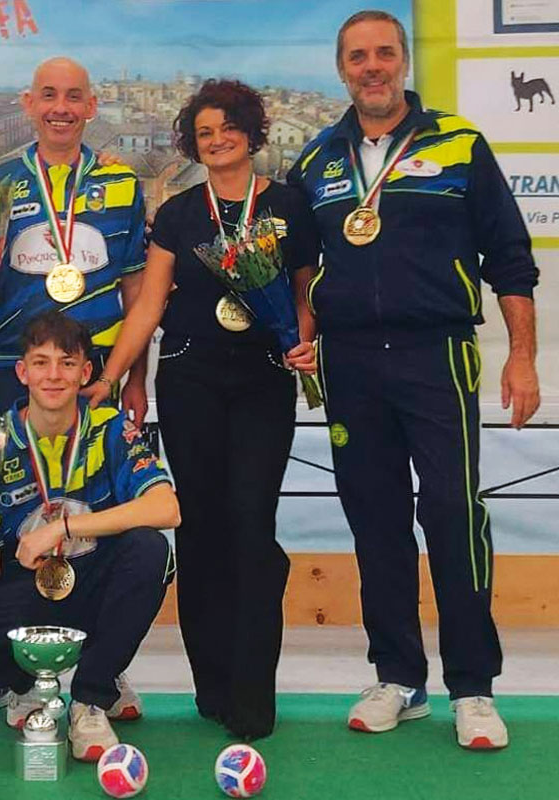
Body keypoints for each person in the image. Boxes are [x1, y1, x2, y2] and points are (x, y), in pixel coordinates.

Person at [286, 10, 539, 749]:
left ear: (402, 63)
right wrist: (303, 335)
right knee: (375, 520)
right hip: (351, 365)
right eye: (358, 57)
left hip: (438, 356)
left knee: (456, 515)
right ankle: (398, 676)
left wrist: (521, 356)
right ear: (341, 70)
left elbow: (510, 258)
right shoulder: (315, 160)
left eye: (384, 54)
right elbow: (303, 269)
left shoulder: (459, 144)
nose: (373, 67)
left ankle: (473, 686)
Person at [84, 79, 318, 740]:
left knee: (251, 527)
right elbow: (150, 306)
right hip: (190, 382)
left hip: (263, 384)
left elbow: (306, 296)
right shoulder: (182, 213)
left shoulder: (291, 207)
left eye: (227, 128)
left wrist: (307, 341)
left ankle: (252, 694)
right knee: (202, 530)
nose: (217, 141)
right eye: (204, 133)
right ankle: (211, 687)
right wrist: (111, 375)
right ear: (195, 143)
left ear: (251, 131)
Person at [0, 311, 179, 761]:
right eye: (40, 362)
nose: (54, 375)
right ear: (22, 372)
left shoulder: (111, 427)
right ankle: (22, 680)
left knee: (151, 549)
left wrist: (63, 527)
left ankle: (91, 697)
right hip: (27, 592)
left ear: (86, 372)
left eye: (67, 363)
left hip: (95, 582)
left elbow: (166, 508)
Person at [0, 57, 149, 424]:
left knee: (91, 478)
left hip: (95, 371)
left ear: (91, 106)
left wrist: (135, 380)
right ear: (29, 103)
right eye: (49, 96)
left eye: (73, 97)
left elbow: (136, 293)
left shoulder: (121, 184)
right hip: (14, 368)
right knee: (17, 480)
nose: (61, 108)